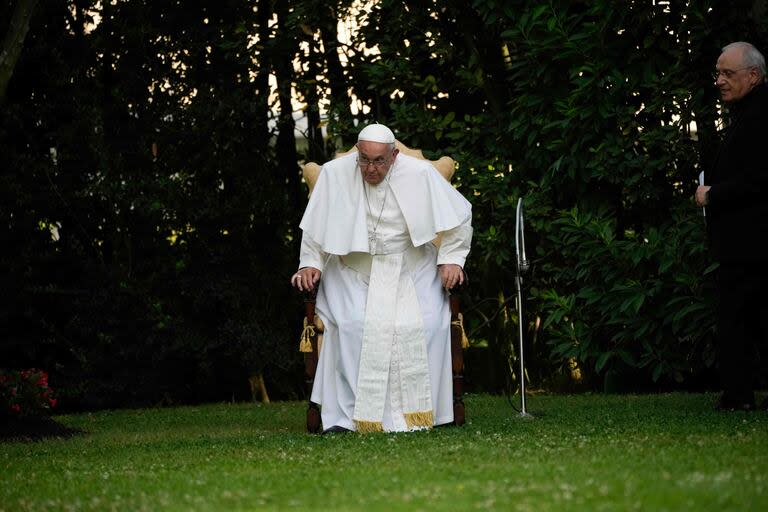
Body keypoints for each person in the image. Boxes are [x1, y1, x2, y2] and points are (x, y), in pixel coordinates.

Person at [290, 123, 472, 433]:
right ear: (357, 154)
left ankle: (424, 413)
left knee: (425, 324)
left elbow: (460, 217)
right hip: (352, 273)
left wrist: (451, 259)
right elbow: (315, 228)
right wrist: (310, 263)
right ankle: (346, 419)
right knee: (352, 326)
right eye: (364, 160)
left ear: (394, 156)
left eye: (379, 161)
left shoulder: (420, 173)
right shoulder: (335, 174)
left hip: (412, 271)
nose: (370, 169)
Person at [695, 42, 768, 411]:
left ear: (753, 76)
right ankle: (739, 393)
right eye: (718, 73)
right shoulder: (747, 113)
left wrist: (713, 195)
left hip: (752, 242)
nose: (719, 81)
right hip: (746, 241)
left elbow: (759, 180)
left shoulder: (760, 117)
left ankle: (738, 396)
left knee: (737, 319)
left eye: (728, 74)